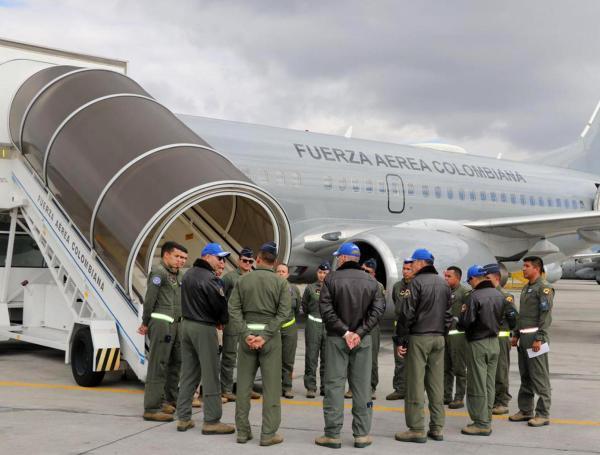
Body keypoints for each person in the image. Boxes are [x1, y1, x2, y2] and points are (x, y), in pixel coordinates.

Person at [315, 243, 385, 449]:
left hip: (337, 339)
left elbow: (326, 309)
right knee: (362, 386)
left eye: (339, 257)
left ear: (344, 258)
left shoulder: (331, 279)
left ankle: (332, 434)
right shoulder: (371, 282)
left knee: (334, 386)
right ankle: (362, 435)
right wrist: (359, 333)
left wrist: (345, 332)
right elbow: (378, 310)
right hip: (362, 341)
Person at [228, 242, 291, 446]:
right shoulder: (281, 283)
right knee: (272, 387)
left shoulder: (243, 280)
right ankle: (268, 434)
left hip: (246, 339)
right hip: (270, 339)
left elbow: (233, 310)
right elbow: (283, 313)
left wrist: (246, 334)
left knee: (244, 386)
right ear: (274, 262)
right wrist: (265, 335)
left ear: (258, 258)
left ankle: (243, 432)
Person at [175, 243, 235, 434]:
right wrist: (222, 321)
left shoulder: (188, 274)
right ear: (208, 256)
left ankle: (183, 418)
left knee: (188, 373)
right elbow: (220, 307)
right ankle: (211, 421)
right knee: (210, 374)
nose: (222, 262)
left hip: (186, 326)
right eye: (219, 258)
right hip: (204, 327)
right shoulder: (210, 279)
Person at [395, 248, 452, 444]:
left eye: (413, 262)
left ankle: (417, 428)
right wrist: (442, 336)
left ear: (421, 263)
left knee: (415, 384)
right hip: (438, 338)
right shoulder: (444, 284)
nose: (411, 266)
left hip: (419, 337)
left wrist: (401, 340)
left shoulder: (416, 283)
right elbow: (448, 316)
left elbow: (407, 314)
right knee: (436, 385)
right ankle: (437, 427)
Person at [458, 265, 517, 436]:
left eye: (469, 280)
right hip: (495, 342)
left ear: (474, 279)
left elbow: (466, 322)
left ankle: (481, 423)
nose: (469, 284)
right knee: (490, 383)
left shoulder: (473, 297)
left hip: (478, 343)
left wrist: (458, 321)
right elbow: (512, 318)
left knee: (477, 383)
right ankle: (487, 417)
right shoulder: (500, 295)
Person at [139, 241, 187, 422]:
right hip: (161, 324)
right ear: (166, 255)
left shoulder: (180, 275)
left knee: (175, 363)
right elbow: (150, 299)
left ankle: (168, 400)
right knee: (158, 365)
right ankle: (151, 407)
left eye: (184, 258)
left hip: (176, 325)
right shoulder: (158, 273)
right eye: (178, 256)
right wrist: (145, 322)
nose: (181, 261)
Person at [509, 256, 554, 427]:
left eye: (527, 266)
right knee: (526, 375)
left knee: (539, 377)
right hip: (525, 338)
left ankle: (543, 413)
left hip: (536, 339)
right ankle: (526, 410)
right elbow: (523, 316)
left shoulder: (544, 289)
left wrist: (540, 338)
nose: (523, 269)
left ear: (537, 268)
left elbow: (545, 316)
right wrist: (516, 335)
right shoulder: (526, 288)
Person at [220, 247, 259, 402]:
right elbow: (221, 300)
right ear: (239, 261)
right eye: (245, 260)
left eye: (250, 261)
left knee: (248, 358)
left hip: (249, 323)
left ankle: (245, 388)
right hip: (233, 322)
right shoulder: (229, 278)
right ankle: (227, 389)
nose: (248, 263)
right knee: (229, 356)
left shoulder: (255, 277)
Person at [345, 258, 385, 400]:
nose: (363, 272)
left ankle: (371, 387)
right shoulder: (355, 283)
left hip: (371, 326)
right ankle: (352, 387)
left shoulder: (377, 286)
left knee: (371, 359)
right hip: (355, 324)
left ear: (373, 273)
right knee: (352, 356)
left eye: (367, 271)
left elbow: (379, 309)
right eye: (361, 269)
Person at [483, 263, 519, 415]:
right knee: (487, 372)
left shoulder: (505, 297)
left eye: (487, 277)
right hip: (486, 339)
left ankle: (502, 401)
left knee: (500, 372)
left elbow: (514, 319)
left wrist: (513, 334)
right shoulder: (484, 294)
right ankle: (490, 399)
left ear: (496, 278)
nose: (484, 280)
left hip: (500, 339)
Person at [386, 258, 414, 401]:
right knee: (400, 360)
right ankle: (399, 389)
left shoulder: (417, 285)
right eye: (404, 269)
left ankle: (413, 390)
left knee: (414, 361)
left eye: (408, 269)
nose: (405, 271)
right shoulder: (397, 286)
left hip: (413, 328)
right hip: (399, 327)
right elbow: (396, 304)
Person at [302, 261, 331, 398]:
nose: (322, 275)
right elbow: (305, 306)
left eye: (325, 273)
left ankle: (325, 386)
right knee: (311, 357)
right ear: (317, 273)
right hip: (313, 324)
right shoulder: (310, 288)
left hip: (328, 326)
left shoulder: (333, 288)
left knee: (327, 358)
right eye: (320, 272)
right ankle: (311, 387)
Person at [443, 266, 469, 409]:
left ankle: (459, 397)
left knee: (459, 368)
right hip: (445, 335)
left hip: (458, 336)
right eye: (445, 276)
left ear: (457, 278)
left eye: (449, 276)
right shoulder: (445, 291)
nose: (446, 279)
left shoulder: (464, 292)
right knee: (446, 368)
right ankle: (446, 396)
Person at [276, 263, 302, 399]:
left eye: (283, 271)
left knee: (288, 359)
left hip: (289, 327)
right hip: (274, 328)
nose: (281, 273)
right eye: (278, 271)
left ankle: (287, 387)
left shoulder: (294, 289)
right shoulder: (270, 288)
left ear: (287, 275)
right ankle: (274, 387)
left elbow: (297, 309)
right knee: (273, 360)